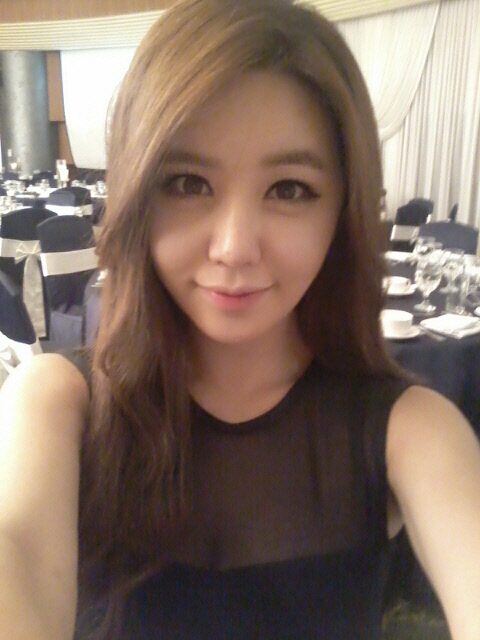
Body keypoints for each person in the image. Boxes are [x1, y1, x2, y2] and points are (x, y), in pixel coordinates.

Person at [0, 0, 479, 638]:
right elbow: (20, 556)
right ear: (139, 194)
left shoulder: (411, 432)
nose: (233, 248)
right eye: (188, 183)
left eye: (289, 190)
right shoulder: (56, 405)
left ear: (342, 212)